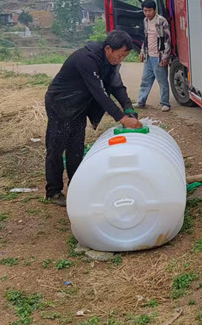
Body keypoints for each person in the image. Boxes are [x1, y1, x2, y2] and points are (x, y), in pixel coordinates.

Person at [43, 30, 142, 206]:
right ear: (109, 48)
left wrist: (128, 109)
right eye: (119, 56)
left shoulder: (110, 63)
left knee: (76, 148)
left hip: (79, 106)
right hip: (60, 104)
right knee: (56, 148)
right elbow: (99, 93)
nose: (120, 60)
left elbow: (117, 86)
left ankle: (76, 188)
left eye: (124, 57)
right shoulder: (87, 59)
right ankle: (54, 192)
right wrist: (122, 118)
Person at [137, 0, 172, 111]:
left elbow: (167, 40)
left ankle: (165, 103)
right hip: (149, 56)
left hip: (159, 56)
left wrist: (165, 57)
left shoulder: (161, 21)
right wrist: (142, 52)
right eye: (145, 11)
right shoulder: (145, 21)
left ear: (155, 10)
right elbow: (146, 38)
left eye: (149, 10)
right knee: (145, 80)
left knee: (162, 81)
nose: (147, 13)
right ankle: (141, 101)